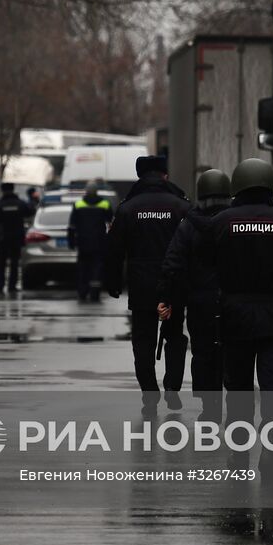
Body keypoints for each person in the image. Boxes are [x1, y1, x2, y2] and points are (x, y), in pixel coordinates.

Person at [188, 157, 273, 480]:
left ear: (238, 185)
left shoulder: (219, 223)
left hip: (234, 318)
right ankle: (270, 450)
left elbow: (204, 259)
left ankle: (239, 452)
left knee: (239, 387)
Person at [103, 155, 191, 413]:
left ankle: (149, 393)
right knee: (174, 335)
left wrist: (113, 282)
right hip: (175, 283)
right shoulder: (181, 206)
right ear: (165, 174)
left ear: (140, 176)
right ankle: (173, 387)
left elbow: (114, 249)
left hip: (141, 284)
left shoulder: (128, 208)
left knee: (143, 340)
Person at [158, 167, 231, 422]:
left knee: (202, 352)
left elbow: (173, 264)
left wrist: (168, 299)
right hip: (232, 300)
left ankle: (208, 407)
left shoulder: (189, 225)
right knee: (230, 352)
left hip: (199, 302)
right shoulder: (234, 223)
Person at [68, 181, 112, 302]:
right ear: (96, 191)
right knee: (97, 270)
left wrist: (71, 242)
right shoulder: (105, 204)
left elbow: (72, 226)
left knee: (83, 269)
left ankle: (82, 292)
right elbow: (111, 223)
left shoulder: (78, 204)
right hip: (99, 243)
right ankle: (95, 294)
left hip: (83, 243)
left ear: (86, 191)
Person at [0, 182, 31, 295]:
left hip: (2, 238)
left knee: (1, 263)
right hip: (16, 238)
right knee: (14, 262)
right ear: (13, 189)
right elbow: (29, 211)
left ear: (2, 190)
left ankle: (0, 285)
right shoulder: (20, 204)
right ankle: (12, 286)